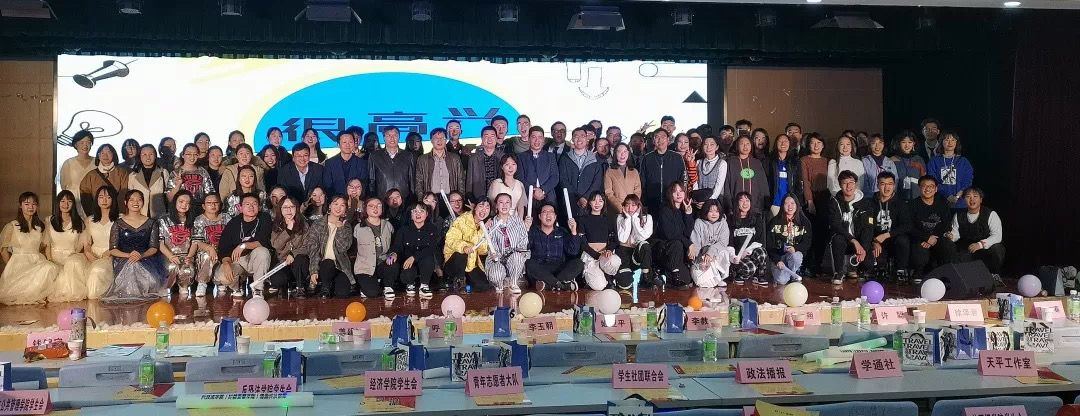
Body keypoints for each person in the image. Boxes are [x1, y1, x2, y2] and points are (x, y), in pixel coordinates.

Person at [102, 190, 167, 303]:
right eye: (131, 200)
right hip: (123, 258)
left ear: (143, 202)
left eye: (139, 200)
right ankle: (130, 294)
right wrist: (129, 255)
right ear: (125, 202)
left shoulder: (152, 223)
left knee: (137, 265)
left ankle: (142, 292)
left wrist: (141, 255)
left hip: (146, 258)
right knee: (131, 264)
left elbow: (153, 247)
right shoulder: (118, 224)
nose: (135, 202)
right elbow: (113, 249)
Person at [0, 192, 58, 305]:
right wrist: (10, 265)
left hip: (36, 259)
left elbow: (46, 245)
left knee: (49, 267)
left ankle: (34, 294)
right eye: (27, 204)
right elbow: (3, 250)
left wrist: (50, 258)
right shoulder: (12, 226)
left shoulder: (40, 226)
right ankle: (28, 293)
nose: (31, 207)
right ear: (20, 205)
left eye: (34, 204)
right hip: (18, 262)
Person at [215, 192, 272, 298]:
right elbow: (224, 248)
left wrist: (243, 245)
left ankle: (258, 289)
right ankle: (237, 288)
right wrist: (226, 264)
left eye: (254, 204)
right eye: (247, 204)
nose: (251, 207)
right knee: (224, 276)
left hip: (255, 258)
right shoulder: (233, 223)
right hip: (237, 260)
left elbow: (264, 240)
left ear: (259, 207)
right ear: (240, 208)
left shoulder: (264, 218)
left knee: (263, 251)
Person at [862, 172, 912, 282]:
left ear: (894, 185)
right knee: (877, 266)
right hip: (876, 241)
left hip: (893, 239)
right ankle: (879, 267)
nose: (887, 187)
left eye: (890, 184)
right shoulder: (869, 203)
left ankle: (901, 270)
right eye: (883, 184)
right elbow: (866, 225)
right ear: (877, 185)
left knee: (903, 240)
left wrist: (887, 235)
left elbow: (907, 225)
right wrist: (874, 241)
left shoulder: (901, 203)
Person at [909, 176, 958, 285]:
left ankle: (947, 276)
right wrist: (926, 238)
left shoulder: (942, 205)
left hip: (937, 237)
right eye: (924, 186)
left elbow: (946, 225)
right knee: (919, 248)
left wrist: (934, 238)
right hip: (920, 237)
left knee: (949, 246)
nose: (927, 189)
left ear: (936, 189)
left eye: (931, 186)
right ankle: (918, 273)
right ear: (919, 188)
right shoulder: (912, 205)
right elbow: (909, 227)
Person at [947, 187, 1005, 277]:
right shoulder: (958, 215)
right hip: (968, 248)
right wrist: (951, 236)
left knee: (997, 249)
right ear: (964, 200)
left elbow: (997, 236)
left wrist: (980, 244)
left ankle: (994, 276)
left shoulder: (991, 214)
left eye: (975, 196)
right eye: (968, 196)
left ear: (981, 199)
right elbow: (956, 233)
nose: (972, 199)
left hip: (986, 249)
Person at [304, 195, 354, 298]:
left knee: (342, 294)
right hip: (323, 264)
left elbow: (343, 248)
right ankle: (325, 287)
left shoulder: (346, 226)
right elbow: (313, 249)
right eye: (336, 204)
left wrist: (340, 230)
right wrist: (314, 270)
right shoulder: (318, 224)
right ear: (330, 205)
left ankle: (332, 284)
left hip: (340, 265)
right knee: (328, 263)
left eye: (342, 205)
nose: (338, 208)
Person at [828, 170, 873, 285]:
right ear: (840, 185)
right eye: (845, 183)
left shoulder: (866, 203)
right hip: (845, 239)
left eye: (851, 182)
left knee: (868, 264)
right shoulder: (834, 202)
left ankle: (858, 270)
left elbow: (868, 228)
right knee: (837, 239)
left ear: (856, 184)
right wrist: (853, 241)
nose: (848, 186)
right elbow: (836, 225)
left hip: (860, 241)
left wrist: (863, 248)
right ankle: (838, 273)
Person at [526, 202, 583, 292]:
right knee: (530, 263)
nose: (548, 214)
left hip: (559, 267)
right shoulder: (533, 231)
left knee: (578, 263)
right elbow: (525, 247)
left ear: (555, 216)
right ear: (540, 216)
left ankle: (550, 284)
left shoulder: (562, 231)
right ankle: (561, 285)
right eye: (545, 212)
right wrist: (526, 230)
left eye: (551, 212)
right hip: (541, 268)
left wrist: (573, 231)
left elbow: (574, 251)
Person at [387, 203, 440, 298]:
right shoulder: (403, 230)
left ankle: (424, 285)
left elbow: (432, 248)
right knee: (408, 271)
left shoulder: (432, 229)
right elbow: (397, 246)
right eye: (415, 211)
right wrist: (393, 254)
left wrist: (414, 257)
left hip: (424, 262)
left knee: (428, 259)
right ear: (411, 214)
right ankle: (410, 284)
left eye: (421, 211)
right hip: (408, 261)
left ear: (426, 214)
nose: (418, 214)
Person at [45, 191, 89, 302]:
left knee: (71, 268)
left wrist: (75, 253)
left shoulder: (80, 221)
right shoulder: (49, 220)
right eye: (63, 201)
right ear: (58, 203)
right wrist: (50, 259)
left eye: (69, 201)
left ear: (73, 204)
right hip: (54, 258)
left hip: (71, 256)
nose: (66, 204)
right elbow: (47, 244)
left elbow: (81, 243)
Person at [484, 193, 530, 293]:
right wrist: (494, 254)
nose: (504, 205)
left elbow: (523, 239)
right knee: (496, 274)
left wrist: (518, 252)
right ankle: (500, 285)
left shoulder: (518, 221)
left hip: (514, 257)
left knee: (517, 257)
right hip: (497, 258)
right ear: (496, 205)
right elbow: (489, 243)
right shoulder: (491, 223)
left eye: (507, 202)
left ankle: (513, 283)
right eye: (501, 202)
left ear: (511, 205)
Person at [444, 198, 491, 293]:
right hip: (454, 262)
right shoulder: (461, 220)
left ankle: (466, 281)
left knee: (483, 287)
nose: (484, 210)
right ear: (474, 207)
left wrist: (482, 232)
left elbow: (482, 251)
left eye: (487, 207)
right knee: (461, 254)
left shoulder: (486, 224)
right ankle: (459, 281)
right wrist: (464, 247)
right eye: (481, 206)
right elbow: (450, 239)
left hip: (471, 263)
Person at [653, 182, 695, 289]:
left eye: (681, 191)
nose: (679, 194)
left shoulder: (683, 209)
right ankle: (673, 277)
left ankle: (672, 274)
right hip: (664, 247)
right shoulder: (665, 210)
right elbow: (670, 234)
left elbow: (687, 233)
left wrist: (688, 214)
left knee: (687, 280)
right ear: (670, 194)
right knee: (676, 243)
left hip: (678, 251)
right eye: (675, 191)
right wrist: (688, 243)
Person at [354, 197, 398, 298]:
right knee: (372, 293)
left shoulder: (388, 225)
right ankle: (368, 285)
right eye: (371, 206)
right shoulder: (358, 227)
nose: (375, 208)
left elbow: (394, 245)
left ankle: (388, 287)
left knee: (393, 264)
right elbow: (354, 248)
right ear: (365, 209)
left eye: (378, 205)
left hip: (383, 262)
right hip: (365, 266)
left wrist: (393, 254)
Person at [799, 133, 829, 274]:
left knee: (822, 233)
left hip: (825, 198)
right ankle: (807, 264)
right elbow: (805, 181)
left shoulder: (827, 161)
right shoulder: (804, 160)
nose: (816, 145)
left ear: (823, 145)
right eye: (813, 143)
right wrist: (809, 201)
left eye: (819, 143)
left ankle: (818, 264)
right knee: (810, 232)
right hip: (810, 198)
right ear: (808, 145)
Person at [158, 191, 198, 298]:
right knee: (172, 266)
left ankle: (183, 287)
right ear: (175, 202)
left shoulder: (194, 221)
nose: (184, 205)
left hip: (186, 256)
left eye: (188, 203)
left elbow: (195, 242)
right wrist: (170, 256)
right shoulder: (164, 220)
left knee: (187, 270)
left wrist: (189, 256)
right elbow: (160, 243)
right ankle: (166, 287)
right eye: (181, 201)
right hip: (168, 256)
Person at [578, 192, 621, 291]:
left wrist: (609, 250)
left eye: (600, 201)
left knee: (615, 261)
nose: (597, 203)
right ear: (589, 202)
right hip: (590, 256)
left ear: (604, 203)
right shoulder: (583, 219)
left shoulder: (609, 219)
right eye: (594, 200)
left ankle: (609, 277)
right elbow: (582, 242)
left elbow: (614, 239)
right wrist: (596, 255)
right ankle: (592, 278)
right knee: (599, 286)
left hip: (605, 253)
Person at [560, 126, 605, 220]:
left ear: (587, 139)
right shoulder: (565, 158)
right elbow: (563, 180)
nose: (579, 139)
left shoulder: (595, 159)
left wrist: (585, 197)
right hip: (570, 201)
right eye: (576, 136)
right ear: (572, 139)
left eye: (582, 136)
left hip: (589, 202)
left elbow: (597, 182)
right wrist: (577, 197)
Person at [766, 194, 812, 285]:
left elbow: (807, 243)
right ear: (782, 205)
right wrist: (777, 260)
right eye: (786, 204)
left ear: (797, 205)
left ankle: (794, 272)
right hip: (779, 257)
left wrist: (795, 248)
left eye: (792, 203)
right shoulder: (774, 222)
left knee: (796, 256)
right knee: (782, 281)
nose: (790, 206)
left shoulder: (804, 222)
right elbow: (769, 244)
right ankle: (784, 273)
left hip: (793, 254)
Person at [269, 196, 309, 297]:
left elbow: (308, 246)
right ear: (280, 209)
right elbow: (276, 245)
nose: (289, 210)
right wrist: (288, 230)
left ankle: (300, 287)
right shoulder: (276, 225)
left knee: (300, 259)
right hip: (282, 262)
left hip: (299, 263)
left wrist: (293, 253)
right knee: (277, 280)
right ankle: (285, 286)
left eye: (292, 207)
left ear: (296, 208)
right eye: (285, 207)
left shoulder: (304, 225)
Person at [639, 128, 685, 215]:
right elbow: (642, 182)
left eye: (663, 137)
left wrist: (682, 200)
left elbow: (683, 179)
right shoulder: (647, 158)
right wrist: (643, 202)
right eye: (657, 137)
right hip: (652, 203)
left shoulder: (677, 157)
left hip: (672, 202)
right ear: (653, 140)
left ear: (668, 139)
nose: (660, 140)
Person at [728, 192, 769, 285]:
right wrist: (733, 257)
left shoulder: (757, 218)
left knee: (762, 252)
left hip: (750, 252)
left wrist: (747, 251)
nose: (745, 203)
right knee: (750, 269)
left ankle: (759, 275)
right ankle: (738, 274)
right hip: (738, 255)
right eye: (741, 200)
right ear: (737, 203)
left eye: (747, 200)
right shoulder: (730, 219)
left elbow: (759, 240)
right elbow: (729, 242)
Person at [690, 200, 732, 288]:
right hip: (702, 254)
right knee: (703, 282)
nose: (714, 214)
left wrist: (711, 252)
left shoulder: (723, 223)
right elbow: (695, 242)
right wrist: (695, 257)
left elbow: (723, 242)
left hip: (717, 252)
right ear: (705, 212)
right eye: (710, 211)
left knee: (726, 252)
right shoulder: (699, 222)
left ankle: (719, 277)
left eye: (717, 211)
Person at [84, 186, 117, 299]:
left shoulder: (120, 219)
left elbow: (122, 242)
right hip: (93, 255)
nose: (104, 200)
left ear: (113, 199)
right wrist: (88, 254)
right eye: (101, 197)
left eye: (108, 197)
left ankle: (94, 298)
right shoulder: (90, 220)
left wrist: (111, 251)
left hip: (111, 255)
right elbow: (87, 244)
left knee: (97, 270)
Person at [192, 193, 228, 297]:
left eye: (216, 202)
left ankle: (221, 282)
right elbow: (197, 241)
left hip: (223, 250)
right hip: (206, 251)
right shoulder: (199, 220)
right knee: (207, 256)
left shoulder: (226, 217)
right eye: (209, 203)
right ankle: (202, 283)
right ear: (203, 206)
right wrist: (210, 248)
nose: (213, 205)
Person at [615, 194, 654, 289]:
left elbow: (643, 237)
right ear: (623, 206)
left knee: (645, 245)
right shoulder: (620, 218)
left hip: (637, 254)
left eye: (633, 205)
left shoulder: (647, 218)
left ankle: (645, 277)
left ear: (639, 206)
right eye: (627, 205)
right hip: (623, 253)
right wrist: (629, 219)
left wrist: (635, 218)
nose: (630, 208)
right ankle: (625, 276)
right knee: (624, 285)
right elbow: (622, 239)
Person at [927, 131, 974, 210]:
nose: (950, 143)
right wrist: (948, 196)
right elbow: (933, 181)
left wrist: (957, 196)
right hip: (940, 203)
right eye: (947, 140)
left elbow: (968, 181)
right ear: (941, 142)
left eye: (953, 140)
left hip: (961, 204)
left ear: (956, 142)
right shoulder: (933, 161)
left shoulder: (963, 161)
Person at [724, 135, 769, 215]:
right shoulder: (731, 163)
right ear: (737, 146)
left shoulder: (757, 163)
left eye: (748, 143)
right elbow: (727, 186)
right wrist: (730, 206)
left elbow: (763, 185)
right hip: (736, 209)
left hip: (755, 208)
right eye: (742, 144)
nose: (745, 146)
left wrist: (765, 203)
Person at [415, 128, 465, 200]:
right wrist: (422, 200)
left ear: (446, 140)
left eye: (442, 138)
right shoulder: (423, 159)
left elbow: (461, 181)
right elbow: (418, 183)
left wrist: (461, 199)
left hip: (451, 200)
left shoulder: (455, 158)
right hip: (431, 200)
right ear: (431, 140)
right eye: (436, 138)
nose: (439, 141)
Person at [79, 144, 129, 215]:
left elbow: (124, 193)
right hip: (97, 214)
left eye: (109, 152)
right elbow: (85, 196)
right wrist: (93, 214)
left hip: (117, 214)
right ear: (98, 155)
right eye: (102, 153)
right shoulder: (91, 175)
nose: (105, 156)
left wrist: (120, 213)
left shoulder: (122, 173)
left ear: (113, 154)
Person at [368, 126, 416, 200]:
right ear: (384, 137)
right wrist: (373, 198)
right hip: (382, 198)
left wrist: (412, 199)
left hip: (403, 199)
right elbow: (371, 180)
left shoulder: (408, 156)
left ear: (399, 137)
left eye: (395, 135)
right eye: (389, 135)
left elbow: (412, 181)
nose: (392, 138)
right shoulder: (374, 156)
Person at [516, 126, 559, 205]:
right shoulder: (521, 156)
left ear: (543, 140)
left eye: (540, 137)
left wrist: (543, 190)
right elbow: (519, 177)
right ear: (529, 139)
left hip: (548, 196)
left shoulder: (550, 156)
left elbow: (555, 177)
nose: (537, 140)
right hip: (528, 196)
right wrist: (533, 191)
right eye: (534, 137)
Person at [170, 143, 216, 213]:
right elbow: (170, 199)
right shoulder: (175, 173)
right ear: (183, 155)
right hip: (182, 210)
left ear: (198, 155)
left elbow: (210, 193)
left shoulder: (203, 171)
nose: (192, 157)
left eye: (195, 154)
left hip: (200, 210)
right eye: (189, 154)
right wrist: (177, 185)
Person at [59, 130, 97, 214]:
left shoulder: (97, 162)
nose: (85, 145)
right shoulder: (68, 163)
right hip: (74, 201)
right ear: (76, 144)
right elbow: (64, 186)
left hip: (93, 201)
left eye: (88, 142)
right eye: (82, 142)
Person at [128, 144, 169, 218]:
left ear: (155, 156)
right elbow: (129, 198)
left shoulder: (163, 172)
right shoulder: (132, 175)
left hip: (159, 215)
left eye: (151, 154)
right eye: (144, 154)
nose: (148, 157)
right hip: (139, 215)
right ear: (139, 156)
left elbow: (168, 195)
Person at [466, 126, 505, 203]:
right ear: (482, 139)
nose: (489, 139)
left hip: (498, 200)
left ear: (496, 138)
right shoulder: (473, 158)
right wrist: (471, 200)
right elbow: (469, 183)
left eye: (492, 136)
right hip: (479, 199)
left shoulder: (503, 157)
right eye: (486, 136)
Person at [765, 134, 802, 217]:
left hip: (790, 203)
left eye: (786, 141)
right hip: (774, 202)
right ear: (776, 143)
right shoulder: (768, 161)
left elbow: (798, 183)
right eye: (780, 141)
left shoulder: (794, 162)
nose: (783, 144)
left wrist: (798, 202)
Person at [604, 143, 642, 216]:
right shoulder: (609, 171)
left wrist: (632, 206)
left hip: (633, 210)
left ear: (628, 153)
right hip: (616, 209)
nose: (622, 154)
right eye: (619, 151)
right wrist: (621, 208)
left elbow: (638, 190)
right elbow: (608, 193)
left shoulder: (634, 171)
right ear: (615, 153)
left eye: (625, 151)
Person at [891, 131, 927, 201]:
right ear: (899, 143)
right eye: (903, 142)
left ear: (914, 143)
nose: (907, 145)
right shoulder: (892, 160)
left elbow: (924, 180)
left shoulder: (919, 159)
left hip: (917, 197)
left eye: (910, 142)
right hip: (897, 198)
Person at [692, 136, 727, 205]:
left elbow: (719, 185)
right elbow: (695, 181)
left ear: (717, 147)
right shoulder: (698, 162)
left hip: (715, 201)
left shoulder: (722, 163)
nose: (708, 147)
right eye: (706, 144)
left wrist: (709, 202)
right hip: (699, 200)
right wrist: (697, 198)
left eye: (712, 144)